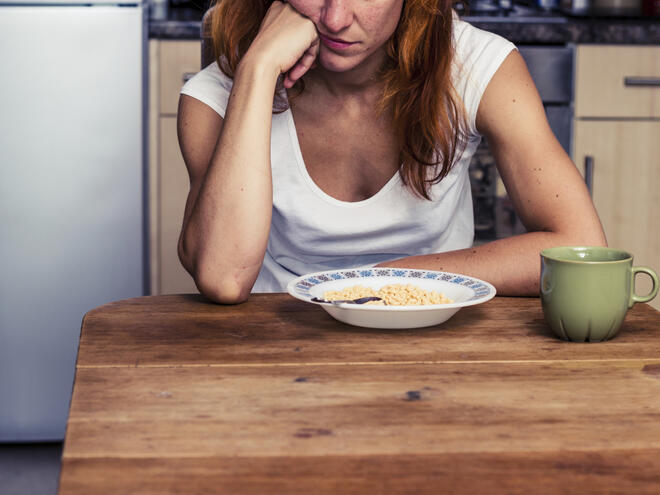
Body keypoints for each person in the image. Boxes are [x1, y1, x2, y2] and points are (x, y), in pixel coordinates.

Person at [177, 0, 606, 304]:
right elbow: (224, 280)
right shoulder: (213, 97)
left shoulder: (475, 64)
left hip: (432, 325)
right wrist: (257, 69)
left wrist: (385, 281)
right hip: (275, 334)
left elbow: (580, 245)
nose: (336, 18)